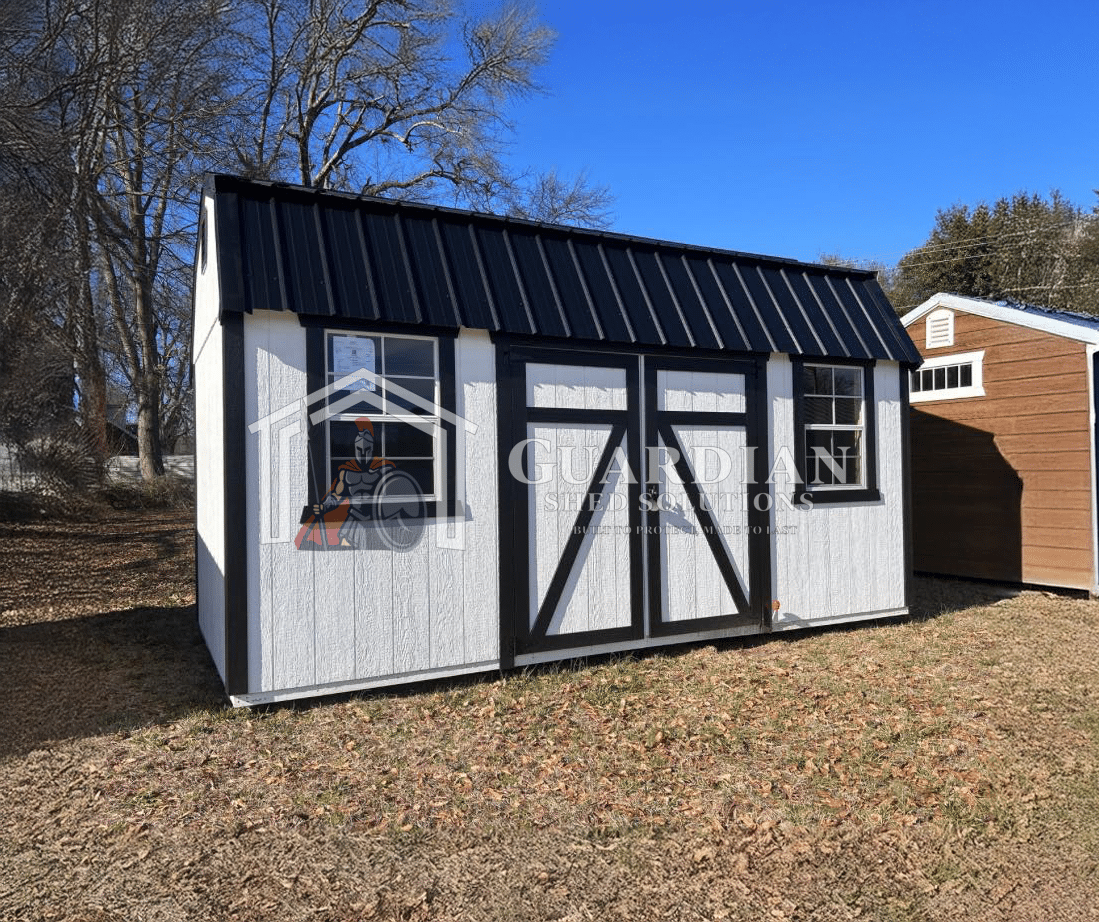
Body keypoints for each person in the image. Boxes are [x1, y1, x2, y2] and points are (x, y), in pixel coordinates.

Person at [296, 418, 393, 549]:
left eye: (367, 449)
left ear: (373, 448)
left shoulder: (384, 471)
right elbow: (336, 497)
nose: (363, 454)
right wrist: (324, 507)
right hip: (352, 524)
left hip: (379, 524)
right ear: (355, 448)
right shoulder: (347, 474)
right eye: (359, 449)